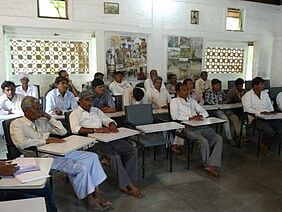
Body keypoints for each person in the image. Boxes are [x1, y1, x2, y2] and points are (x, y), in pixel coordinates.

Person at [10, 96, 111, 210]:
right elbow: (20, 143)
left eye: (40, 108)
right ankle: (89, 199)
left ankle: (96, 193)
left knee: (92, 157)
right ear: (26, 110)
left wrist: (49, 117)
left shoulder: (42, 120)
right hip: (41, 158)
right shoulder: (17, 123)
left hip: (57, 151)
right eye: (36, 109)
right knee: (80, 168)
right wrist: (45, 140)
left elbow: (62, 132)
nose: (40, 112)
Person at [69, 91, 142, 198]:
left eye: (92, 99)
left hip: (108, 138)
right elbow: (76, 129)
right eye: (87, 100)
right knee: (114, 157)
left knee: (132, 150)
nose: (91, 102)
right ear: (80, 101)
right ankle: (129, 185)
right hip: (93, 142)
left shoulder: (96, 110)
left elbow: (107, 120)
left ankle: (126, 180)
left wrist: (112, 125)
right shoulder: (75, 113)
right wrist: (96, 130)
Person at [170, 83, 223, 177]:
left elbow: (204, 112)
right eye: (183, 90)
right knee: (203, 141)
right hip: (184, 127)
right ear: (178, 92)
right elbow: (175, 116)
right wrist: (190, 118)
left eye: (187, 90)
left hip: (199, 125)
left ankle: (212, 162)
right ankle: (208, 164)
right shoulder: (174, 101)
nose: (186, 92)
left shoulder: (191, 101)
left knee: (218, 138)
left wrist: (200, 116)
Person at [242, 77, 282, 155]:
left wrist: (271, 111)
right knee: (268, 130)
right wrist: (261, 112)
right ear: (255, 86)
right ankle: (265, 144)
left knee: (280, 128)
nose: (264, 86)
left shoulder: (265, 94)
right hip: (255, 119)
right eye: (262, 84)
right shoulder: (247, 95)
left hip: (269, 117)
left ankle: (271, 142)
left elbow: (269, 104)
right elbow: (247, 109)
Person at [205, 79, 237, 145]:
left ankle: (237, 135)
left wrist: (225, 101)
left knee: (234, 117)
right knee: (225, 120)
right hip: (216, 110)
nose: (218, 87)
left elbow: (226, 98)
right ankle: (229, 138)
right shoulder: (209, 92)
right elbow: (208, 101)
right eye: (216, 85)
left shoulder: (221, 91)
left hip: (224, 108)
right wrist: (217, 103)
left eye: (219, 85)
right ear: (212, 85)